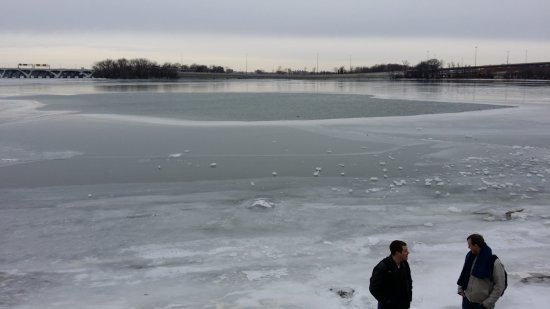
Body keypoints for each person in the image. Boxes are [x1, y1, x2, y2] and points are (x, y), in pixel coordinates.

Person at [457, 234, 506, 309]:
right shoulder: (470, 256)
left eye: (469, 245)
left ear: (476, 245)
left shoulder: (494, 262)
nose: (468, 247)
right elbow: (464, 273)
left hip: (481, 305)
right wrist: (460, 289)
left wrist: (487, 303)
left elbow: (500, 285)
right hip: (467, 301)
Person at [369, 240, 413, 309]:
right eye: (405, 251)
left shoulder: (404, 264)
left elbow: (409, 281)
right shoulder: (383, 267)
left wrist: (409, 298)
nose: (408, 253)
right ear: (397, 252)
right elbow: (373, 288)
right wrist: (387, 302)